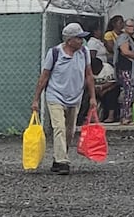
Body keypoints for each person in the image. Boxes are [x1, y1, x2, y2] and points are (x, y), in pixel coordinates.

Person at [32, 23, 99, 174]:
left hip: (75, 96)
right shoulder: (55, 53)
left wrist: (92, 97)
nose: (82, 41)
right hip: (55, 95)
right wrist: (36, 99)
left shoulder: (84, 52)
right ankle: (62, 161)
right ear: (69, 40)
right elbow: (44, 76)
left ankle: (58, 158)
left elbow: (88, 75)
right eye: (78, 38)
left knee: (70, 131)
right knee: (59, 128)